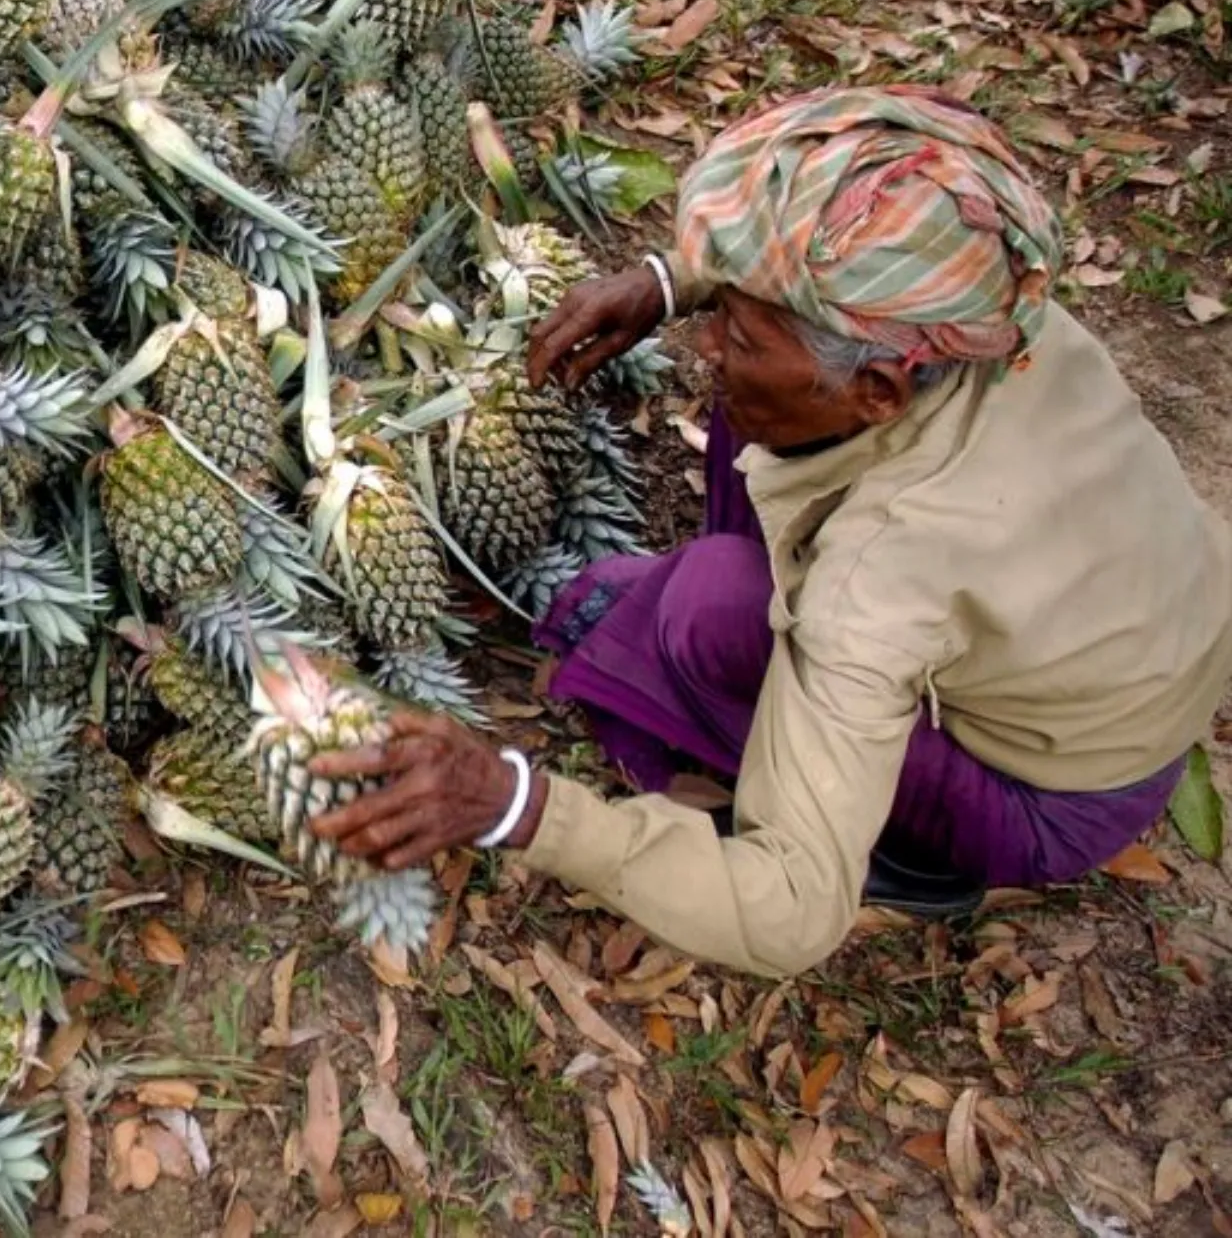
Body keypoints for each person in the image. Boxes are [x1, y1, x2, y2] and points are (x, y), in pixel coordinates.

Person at [306, 85, 1232, 978]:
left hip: (1052, 793)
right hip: (1138, 649)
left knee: (709, 613)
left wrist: (519, 804)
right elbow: (810, 254)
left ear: (878, 390)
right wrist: (670, 284)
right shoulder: (979, 304)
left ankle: (908, 858)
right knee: (750, 429)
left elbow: (791, 911)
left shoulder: (880, 578)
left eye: (743, 336)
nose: (709, 346)